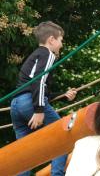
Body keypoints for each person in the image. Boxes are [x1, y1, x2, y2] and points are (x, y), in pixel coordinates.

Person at [11, 21, 77, 176]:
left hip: (16, 104)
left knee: (24, 151)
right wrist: (39, 110)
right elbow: (38, 82)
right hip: (30, 103)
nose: (61, 45)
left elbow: (37, 88)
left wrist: (63, 95)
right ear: (51, 40)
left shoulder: (35, 55)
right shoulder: (47, 54)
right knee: (63, 136)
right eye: (61, 40)